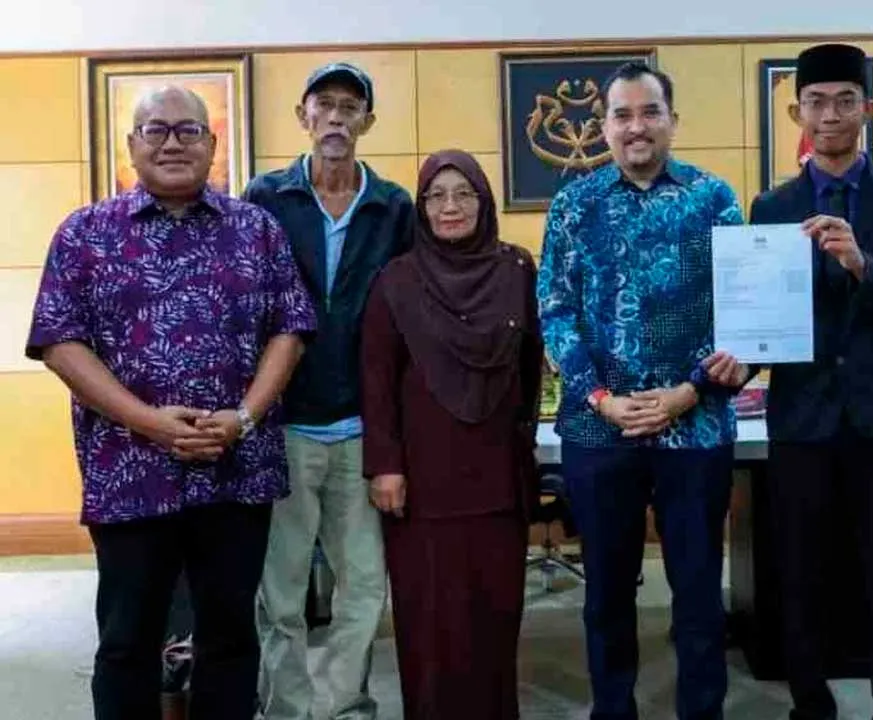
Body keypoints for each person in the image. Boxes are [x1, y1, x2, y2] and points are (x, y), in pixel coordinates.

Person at [24, 86, 315, 720]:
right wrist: (148, 423)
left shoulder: (256, 229)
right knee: (128, 641)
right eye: (155, 130)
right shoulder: (85, 232)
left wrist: (243, 417)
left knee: (231, 638)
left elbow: (290, 330)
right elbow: (58, 342)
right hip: (129, 473)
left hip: (238, 470)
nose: (172, 143)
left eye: (188, 130)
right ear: (132, 146)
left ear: (213, 146)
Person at [536, 60, 750, 720]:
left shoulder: (714, 199)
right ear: (604, 127)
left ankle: (701, 710)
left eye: (649, 112)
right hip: (601, 429)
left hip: (697, 426)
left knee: (694, 589)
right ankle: (613, 709)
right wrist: (600, 396)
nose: (636, 127)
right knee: (605, 591)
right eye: (622, 115)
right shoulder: (575, 204)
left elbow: (741, 310)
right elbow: (554, 307)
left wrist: (688, 391)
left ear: (672, 121)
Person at [746, 43, 873, 720]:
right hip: (801, 417)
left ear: (868, 109)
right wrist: (738, 356)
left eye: (845, 100)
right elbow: (763, 312)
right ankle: (811, 704)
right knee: (799, 575)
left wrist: (864, 265)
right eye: (817, 102)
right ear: (797, 110)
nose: (830, 115)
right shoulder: (771, 205)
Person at [244, 62, 415, 720]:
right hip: (283, 422)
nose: (337, 118)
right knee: (281, 590)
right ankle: (286, 708)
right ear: (303, 117)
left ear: (367, 122)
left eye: (351, 107)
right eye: (325, 105)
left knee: (364, 586)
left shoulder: (395, 206)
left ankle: (347, 706)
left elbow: (410, 308)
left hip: (361, 427)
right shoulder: (266, 196)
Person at [360, 149, 542, 720]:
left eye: (464, 193)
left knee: (495, 613)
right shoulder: (397, 280)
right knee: (430, 620)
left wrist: (527, 447)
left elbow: (532, 364)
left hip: (497, 476)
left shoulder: (517, 269)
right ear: (420, 208)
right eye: (435, 195)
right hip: (422, 480)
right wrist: (385, 465)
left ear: (484, 201)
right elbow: (376, 379)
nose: (450, 206)